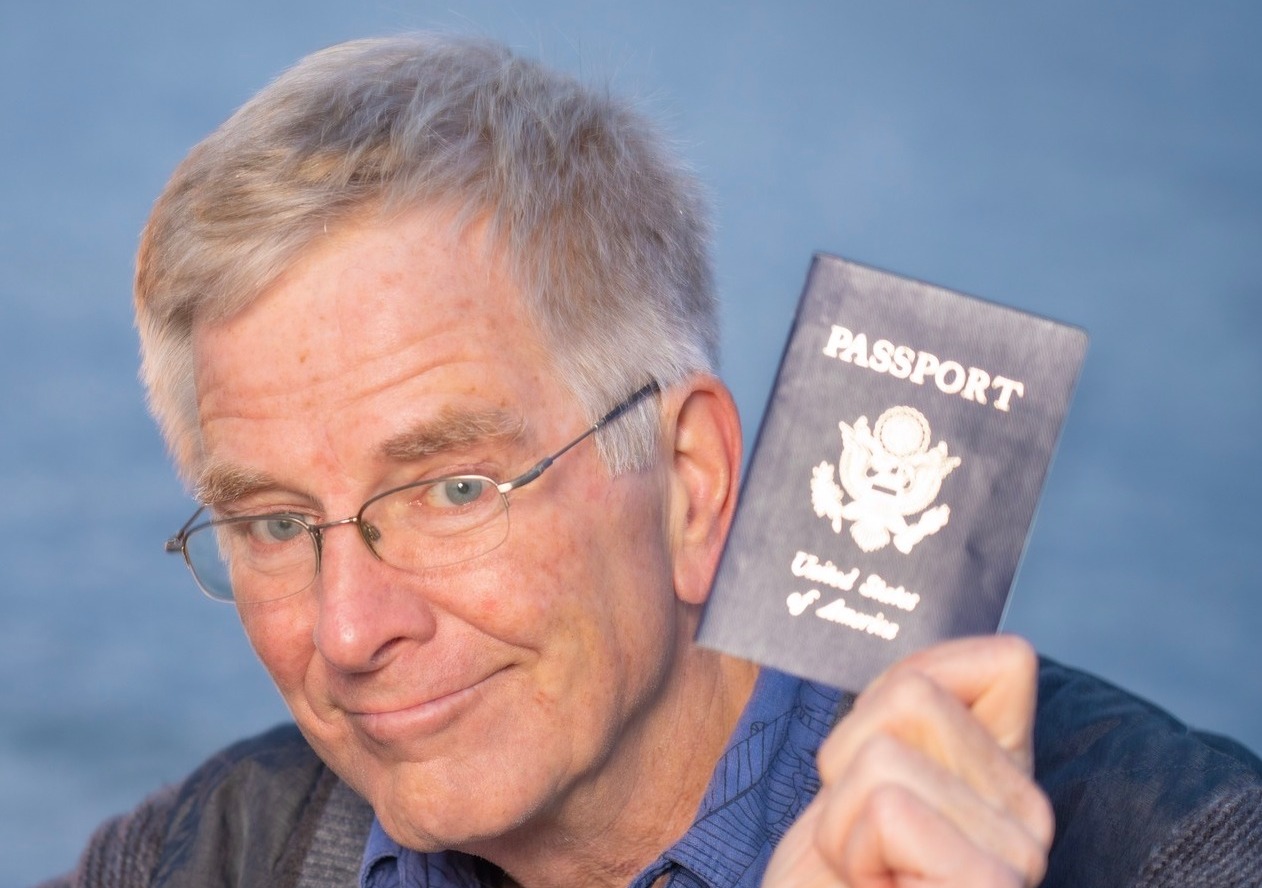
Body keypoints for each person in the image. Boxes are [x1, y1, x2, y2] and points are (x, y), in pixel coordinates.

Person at [45, 33, 1262, 888]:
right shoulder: (188, 858)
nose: (351, 631)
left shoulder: (1179, 849)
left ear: (688, 487)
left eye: (453, 489)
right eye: (272, 525)